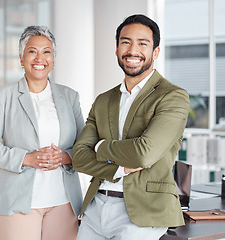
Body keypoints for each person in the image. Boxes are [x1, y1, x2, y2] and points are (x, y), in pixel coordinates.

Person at [72, 14, 190, 240]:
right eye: (125, 42)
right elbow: (79, 158)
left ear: (155, 52)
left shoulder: (173, 96)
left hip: (142, 214)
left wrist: (101, 147)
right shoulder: (104, 100)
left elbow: (144, 154)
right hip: (95, 209)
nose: (132, 50)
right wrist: (118, 169)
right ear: (117, 49)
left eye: (142, 43)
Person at [0, 25, 84, 240]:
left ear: (53, 59)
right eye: (32, 51)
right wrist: (28, 158)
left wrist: (65, 156)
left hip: (63, 201)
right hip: (19, 201)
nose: (39, 58)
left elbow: (84, 145)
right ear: (21, 58)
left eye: (47, 52)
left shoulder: (70, 96)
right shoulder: (3, 95)